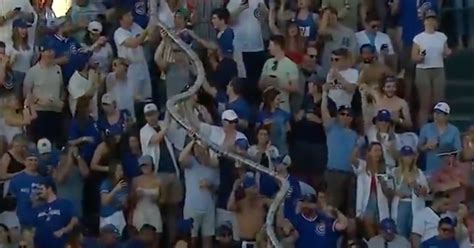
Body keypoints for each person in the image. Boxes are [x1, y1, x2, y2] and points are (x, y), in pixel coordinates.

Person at [139, 103, 181, 244]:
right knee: (157, 212)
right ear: (145, 117)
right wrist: (165, 128)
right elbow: (156, 139)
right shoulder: (144, 131)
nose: (151, 117)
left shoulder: (164, 124)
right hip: (156, 175)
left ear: (158, 113)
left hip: (172, 172)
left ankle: (171, 243)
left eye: (153, 114)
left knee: (173, 212)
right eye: (148, 115)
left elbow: (174, 127)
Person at [321, 82, 358, 215]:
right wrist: (324, 93)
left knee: (349, 210)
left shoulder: (355, 135)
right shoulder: (332, 128)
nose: (345, 116)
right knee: (332, 207)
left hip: (350, 175)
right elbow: (324, 112)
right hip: (333, 173)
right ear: (337, 115)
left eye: (348, 115)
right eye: (342, 113)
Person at [412, 9, 451, 127]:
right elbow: (414, 57)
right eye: (428, 19)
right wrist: (420, 57)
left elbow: (445, 52)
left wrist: (448, 52)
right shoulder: (419, 38)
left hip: (438, 69)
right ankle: (423, 130)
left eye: (432, 19)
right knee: (425, 103)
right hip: (423, 70)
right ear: (424, 21)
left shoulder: (442, 37)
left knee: (439, 102)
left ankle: (439, 128)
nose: (430, 21)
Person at [179, 140, 219, 248]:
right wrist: (192, 141)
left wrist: (209, 185)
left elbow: (216, 188)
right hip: (192, 207)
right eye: (195, 147)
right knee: (190, 241)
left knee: (208, 241)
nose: (197, 149)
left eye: (199, 147)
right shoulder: (191, 162)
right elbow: (181, 159)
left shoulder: (213, 165)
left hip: (209, 208)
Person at [23, 39, 64, 143]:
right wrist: (38, 100)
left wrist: (62, 102)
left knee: (54, 142)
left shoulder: (58, 69)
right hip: (39, 112)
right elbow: (26, 93)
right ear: (41, 52)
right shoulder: (33, 71)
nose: (51, 53)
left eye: (52, 50)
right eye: (48, 51)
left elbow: (62, 88)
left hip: (55, 111)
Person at [352, 142, 391, 238]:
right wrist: (357, 146)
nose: (378, 153)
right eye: (375, 150)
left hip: (380, 203)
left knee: (379, 227)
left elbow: (388, 190)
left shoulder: (385, 169)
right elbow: (352, 160)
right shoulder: (363, 166)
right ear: (368, 152)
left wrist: (383, 184)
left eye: (380, 150)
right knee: (368, 223)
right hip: (367, 202)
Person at [114, 8, 152, 103]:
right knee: (133, 97)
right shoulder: (119, 33)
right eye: (128, 16)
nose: (131, 17)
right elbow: (133, 44)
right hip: (129, 68)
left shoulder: (136, 27)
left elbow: (148, 38)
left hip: (142, 64)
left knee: (146, 96)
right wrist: (147, 30)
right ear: (121, 20)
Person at [391, 146, 429, 238]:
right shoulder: (393, 171)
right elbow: (387, 187)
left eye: (409, 156)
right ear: (401, 157)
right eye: (405, 156)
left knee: (414, 233)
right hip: (401, 203)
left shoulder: (419, 172)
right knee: (400, 233)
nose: (408, 158)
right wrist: (395, 192)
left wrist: (416, 185)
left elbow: (426, 191)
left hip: (415, 204)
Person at [32, 177, 79, 248]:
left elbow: (75, 219)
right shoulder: (38, 208)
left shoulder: (65, 203)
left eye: (41, 189)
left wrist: (66, 229)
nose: (38, 192)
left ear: (49, 189)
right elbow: (33, 228)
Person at [418, 102, 462, 175]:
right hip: (429, 171)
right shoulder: (426, 128)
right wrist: (426, 146)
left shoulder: (454, 130)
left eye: (439, 113)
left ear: (447, 116)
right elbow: (419, 148)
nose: (436, 115)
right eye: (435, 112)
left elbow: (458, 152)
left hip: (447, 172)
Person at [259, 35, 299, 113]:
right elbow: (260, 84)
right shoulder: (268, 63)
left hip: (282, 106)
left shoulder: (291, 65)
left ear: (277, 46)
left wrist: (278, 83)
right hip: (266, 106)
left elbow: (295, 87)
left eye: (271, 45)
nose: (268, 48)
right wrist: (266, 81)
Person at [227, 174, 269, 244]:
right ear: (246, 190)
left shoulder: (262, 200)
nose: (256, 190)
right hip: (246, 240)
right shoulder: (240, 203)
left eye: (256, 187)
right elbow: (230, 207)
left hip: (260, 241)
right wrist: (234, 189)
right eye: (253, 188)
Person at [8, 147, 44, 229]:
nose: (33, 162)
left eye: (35, 160)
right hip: (21, 221)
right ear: (24, 162)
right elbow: (12, 202)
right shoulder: (16, 180)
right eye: (30, 160)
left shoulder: (43, 180)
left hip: (40, 221)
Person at [52, 145, 89, 218]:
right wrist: (69, 161)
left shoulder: (77, 169)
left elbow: (86, 173)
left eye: (65, 155)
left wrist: (77, 156)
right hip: (61, 212)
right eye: (63, 155)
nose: (62, 157)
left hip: (77, 211)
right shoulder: (56, 170)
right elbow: (60, 179)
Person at [318, 7, 357, 73]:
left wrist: (349, 68)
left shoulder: (349, 32)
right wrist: (326, 14)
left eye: (333, 14)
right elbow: (321, 31)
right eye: (328, 17)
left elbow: (353, 52)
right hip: (328, 69)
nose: (331, 17)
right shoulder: (327, 32)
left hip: (345, 69)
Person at [131, 155, 163, 237]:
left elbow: (163, 199)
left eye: (146, 165)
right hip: (140, 211)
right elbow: (131, 200)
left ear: (152, 165)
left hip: (154, 211)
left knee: (156, 236)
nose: (145, 168)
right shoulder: (136, 180)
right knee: (140, 237)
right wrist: (137, 197)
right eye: (142, 166)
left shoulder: (159, 180)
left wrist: (156, 199)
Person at [257, 88, 291, 155]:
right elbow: (257, 129)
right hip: (266, 147)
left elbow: (288, 129)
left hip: (281, 147)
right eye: (277, 99)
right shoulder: (262, 115)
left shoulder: (283, 114)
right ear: (271, 100)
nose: (279, 101)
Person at [7, 19, 35, 97]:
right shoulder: (10, 46)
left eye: (25, 28)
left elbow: (31, 63)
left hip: (28, 74)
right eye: (22, 28)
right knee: (16, 99)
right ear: (15, 29)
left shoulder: (30, 46)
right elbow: (6, 66)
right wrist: (12, 60)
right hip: (16, 74)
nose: (24, 31)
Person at [99, 161, 128, 233]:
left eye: (121, 170)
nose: (120, 172)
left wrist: (125, 203)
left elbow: (125, 205)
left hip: (120, 216)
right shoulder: (106, 183)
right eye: (118, 170)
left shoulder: (124, 184)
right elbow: (104, 202)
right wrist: (115, 189)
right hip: (108, 217)